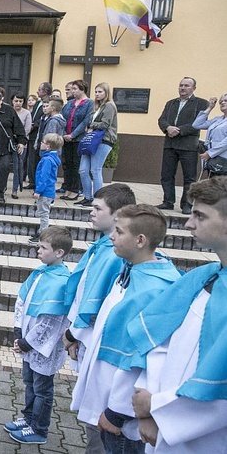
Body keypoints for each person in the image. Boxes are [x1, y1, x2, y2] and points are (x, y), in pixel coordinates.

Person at [70, 204, 181, 453]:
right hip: (108, 400)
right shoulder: (131, 269)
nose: (112, 237)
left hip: (122, 417)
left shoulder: (152, 290)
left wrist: (117, 412)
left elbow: (141, 358)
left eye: (119, 232)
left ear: (140, 240)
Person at [127, 177, 227, 452]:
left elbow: (221, 387)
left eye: (200, 216)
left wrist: (159, 411)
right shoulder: (202, 279)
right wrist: (148, 405)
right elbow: (162, 341)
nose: (188, 224)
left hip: (203, 438)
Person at [62, 183, 136, 454]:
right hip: (86, 336)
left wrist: (75, 334)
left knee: (99, 412)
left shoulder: (116, 254)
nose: (91, 212)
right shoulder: (103, 246)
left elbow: (101, 300)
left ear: (118, 215)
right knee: (92, 409)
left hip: (97, 340)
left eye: (97, 208)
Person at [6, 226, 73, 445]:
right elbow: (22, 301)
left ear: (59, 253)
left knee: (43, 389)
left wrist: (28, 342)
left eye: (43, 248)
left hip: (43, 348)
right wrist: (18, 331)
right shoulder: (40, 273)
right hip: (27, 342)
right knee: (29, 383)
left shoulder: (62, 281)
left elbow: (52, 322)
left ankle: (39, 429)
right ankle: (28, 419)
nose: (39, 251)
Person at [156, 77, 209, 214]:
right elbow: (162, 119)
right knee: (166, 175)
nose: (183, 88)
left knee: (189, 177)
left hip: (188, 145)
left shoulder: (201, 103)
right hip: (170, 144)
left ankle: (187, 204)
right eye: (181, 85)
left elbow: (198, 123)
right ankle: (168, 201)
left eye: (186, 85)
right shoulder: (171, 103)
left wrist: (178, 130)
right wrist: (167, 128)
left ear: (193, 88)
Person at [78, 83, 118, 207]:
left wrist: (91, 126)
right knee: (83, 170)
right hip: (91, 140)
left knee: (95, 170)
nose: (97, 94)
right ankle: (87, 196)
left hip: (103, 140)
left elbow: (105, 124)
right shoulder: (97, 107)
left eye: (100, 92)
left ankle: (97, 199)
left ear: (106, 93)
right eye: (96, 92)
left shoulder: (109, 106)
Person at [0, 90, 27, 204]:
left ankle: (0, 193)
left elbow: (18, 127)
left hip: (5, 147)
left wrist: (21, 142)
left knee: (3, 169)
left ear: (1, 100)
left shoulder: (9, 110)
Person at [60, 80, 93, 201]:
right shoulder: (69, 103)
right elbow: (62, 118)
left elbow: (86, 121)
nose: (72, 91)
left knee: (76, 164)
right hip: (66, 138)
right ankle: (68, 188)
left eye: (75, 89)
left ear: (82, 90)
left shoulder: (89, 103)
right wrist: (64, 134)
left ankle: (75, 190)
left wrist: (73, 134)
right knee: (67, 164)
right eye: (72, 89)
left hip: (79, 138)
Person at [29, 133, 64, 245]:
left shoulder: (47, 160)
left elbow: (43, 176)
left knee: (44, 214)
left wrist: (38, 191)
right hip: (49, 191)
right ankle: (41, 231)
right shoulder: (52, 158)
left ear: (48, 146)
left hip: (45, 191)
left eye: (43, 142)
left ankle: (43, 235)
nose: (41, 143)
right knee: (44, 212)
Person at [193, 93, 227, 179]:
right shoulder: (218, 119)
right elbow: (197, 125)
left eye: (225, 101)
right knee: (214, 187)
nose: (222, 103)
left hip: (223, 159)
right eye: (221, 101)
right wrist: (210, 107)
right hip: (213, 160)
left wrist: (210, 153)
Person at [26, 83, 53, 190]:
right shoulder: (37, 103)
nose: (37, 92)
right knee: (32, 159)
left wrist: (34, 125)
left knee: (40, 160)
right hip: (33, 136)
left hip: (41, 134)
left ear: (45, 91)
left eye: (39, 90)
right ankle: (32, 181)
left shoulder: (49, 103)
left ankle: (39, 182)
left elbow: (44, 117)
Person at [11, 92, 33, 198]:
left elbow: (27, 129)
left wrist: (20, 139)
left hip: (21, 143)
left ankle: (15, 190)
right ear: (12, 101)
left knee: (18, 167)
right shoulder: (9, 111)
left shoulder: (27, 113)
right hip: (9, 142)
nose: (18, 103)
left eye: (20, 101)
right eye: (16, 101)